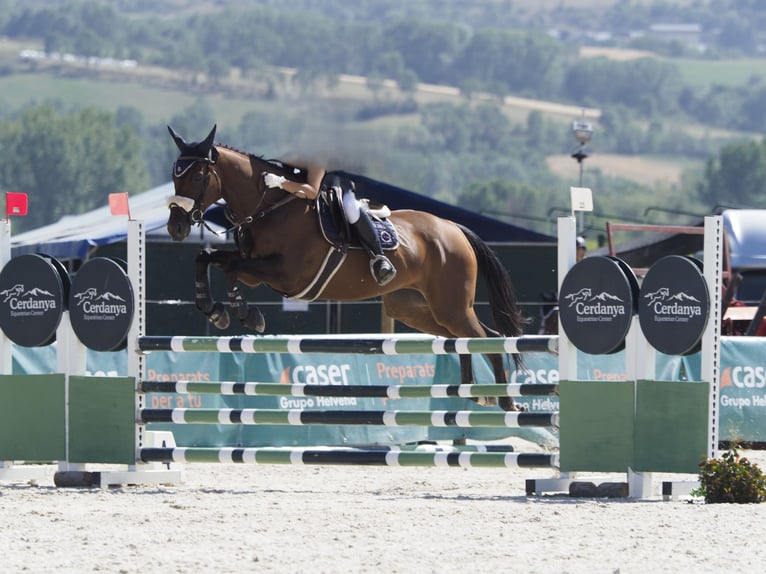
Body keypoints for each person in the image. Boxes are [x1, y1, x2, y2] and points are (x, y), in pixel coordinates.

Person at [262, 165, 397, 286]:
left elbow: (312, 192)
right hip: (313, 183)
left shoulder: (317, 152)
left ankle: (379, 257)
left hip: (340, 184)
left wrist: (280, 182)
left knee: (350, 206)